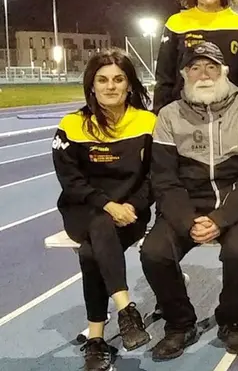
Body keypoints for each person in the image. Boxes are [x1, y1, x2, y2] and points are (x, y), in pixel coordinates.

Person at [140, 42, 238, 360]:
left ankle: (232, 318)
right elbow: (165, 180)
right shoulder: (168, 116)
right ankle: (180, 323)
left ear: (224, 71)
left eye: (211, 67)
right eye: (195, 68)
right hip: (185, 206)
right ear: (184, 74)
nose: (204, 74)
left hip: (235, 206)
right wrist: (187, 221)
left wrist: (220, 219)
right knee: (154, 253)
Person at [52, 50, 155, 371]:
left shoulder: (147, 122)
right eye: (102, 80)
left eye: (118, 79)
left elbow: (155, 177)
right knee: (99, 222)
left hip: (131, 214)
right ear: (92, 86)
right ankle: (126, 310)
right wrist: (108, 204)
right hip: (82, 212)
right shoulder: (72, 125)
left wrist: (131, 206)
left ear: (129, 85)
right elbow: (71, 181)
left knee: (88, 254)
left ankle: (96, 339)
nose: (110, 86)